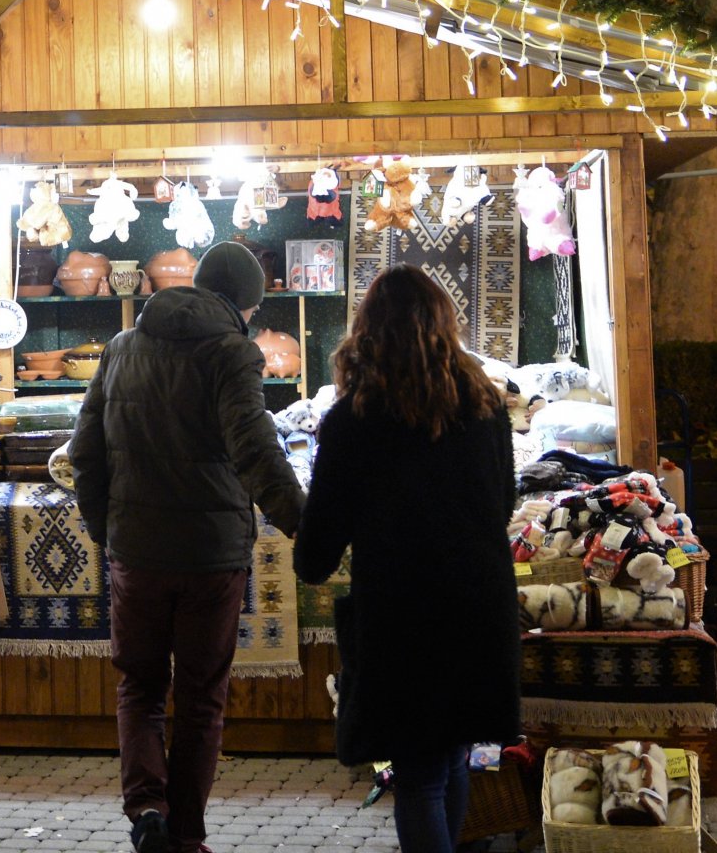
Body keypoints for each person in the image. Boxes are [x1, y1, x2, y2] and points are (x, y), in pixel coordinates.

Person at [71, 239, 305, 853]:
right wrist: (306, 522)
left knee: (140, 687)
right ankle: (186, 834)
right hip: (211, 557)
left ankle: (147, 809)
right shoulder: (235, 352)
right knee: (201, 698)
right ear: (246, 304)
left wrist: (107, 531)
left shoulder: (123, 347)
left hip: (138, 555)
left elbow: (82, 454)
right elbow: (257, 450)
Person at [293, 266, 520, 853]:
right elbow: (503, 505)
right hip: (478, 609)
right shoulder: (487, 410)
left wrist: (312, 553)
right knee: (451, 761)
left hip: (403, 619)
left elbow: (318, 547)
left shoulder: (353, 420)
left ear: (367, 331)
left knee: (420, 776)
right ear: (446, 326)